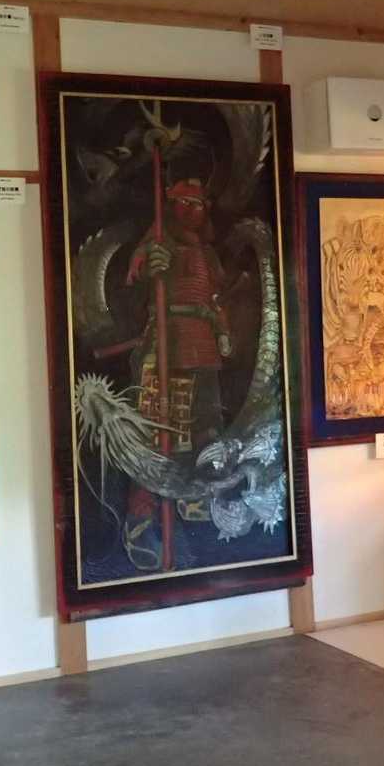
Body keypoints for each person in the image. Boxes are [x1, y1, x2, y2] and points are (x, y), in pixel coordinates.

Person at [122, 177, 233, 567]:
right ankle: (142, 514)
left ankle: (196, 504)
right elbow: (134, 284)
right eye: (184, 203)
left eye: (198, 205)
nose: (192, 211)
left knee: (205, 428)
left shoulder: (207, 254)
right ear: (170, 206)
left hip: (202, 343)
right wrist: (152, 267)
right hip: (166, 343)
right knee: (156, 431)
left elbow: (214, 299)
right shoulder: (156, 244)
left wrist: (221, 330)